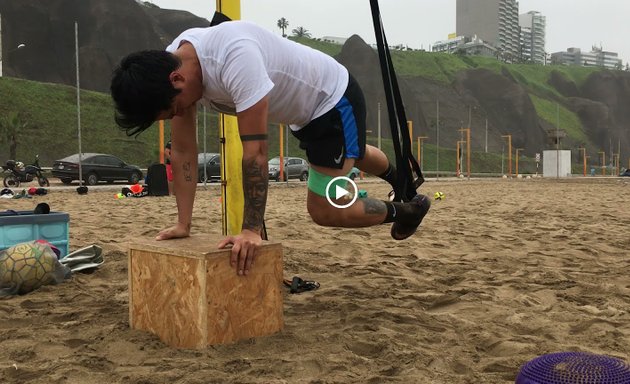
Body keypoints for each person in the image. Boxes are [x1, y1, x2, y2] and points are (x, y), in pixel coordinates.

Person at [110, 20, 430, 276]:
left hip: (334, 100)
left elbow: (255, 155)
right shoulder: (174, 62)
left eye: (173, 109)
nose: (178, 115)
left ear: (177, 78)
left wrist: (251, 230)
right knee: (354, 153)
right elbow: (182, 152)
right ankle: (399, 176)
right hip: (304, 114)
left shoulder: (235, 59)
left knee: (325, 208)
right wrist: (183, 224)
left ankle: (408, 210)